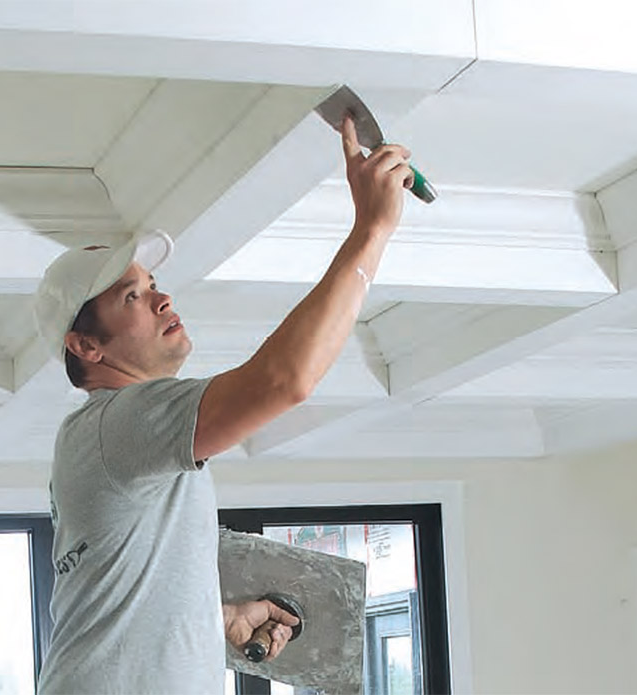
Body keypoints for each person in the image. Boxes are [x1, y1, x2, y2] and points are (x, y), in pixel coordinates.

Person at [33, 115, 413, 694]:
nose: (162, 298)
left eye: (152, 283)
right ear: (87, 346)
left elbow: (122, 600)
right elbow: (284, 379)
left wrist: (215, 622)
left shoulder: (108, 438)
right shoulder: (120, 422)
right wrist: (371, 231)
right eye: (133, 296)